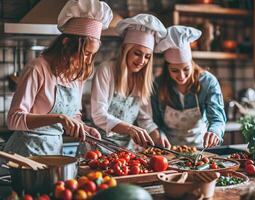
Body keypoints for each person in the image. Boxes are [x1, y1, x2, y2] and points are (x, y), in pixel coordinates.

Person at [3, 0, 113, 156]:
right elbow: (14, 119)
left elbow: (74, 115)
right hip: (23, 155)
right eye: (86, 53)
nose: (88, 60)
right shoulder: (37, 68)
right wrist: (59, 118)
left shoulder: (76, 74)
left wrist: (85, 129)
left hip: (54, 154)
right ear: (67, 44)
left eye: (92, 55)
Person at [91, 14, 170, 149]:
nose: (141, 61)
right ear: (125, 50)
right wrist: (130, 128)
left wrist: (158, 136)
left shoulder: (143, 79)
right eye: (137, 53)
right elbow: (98, 114)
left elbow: (145, 119)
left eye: (147, 57)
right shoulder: (107, 70)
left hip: (126, 150)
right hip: (99, 145)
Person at [152, 25, 226, 148]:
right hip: (168, 150)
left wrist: (214, 132)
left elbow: (217, 119)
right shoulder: (158, 85)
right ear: (167, 69)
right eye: (174, 70)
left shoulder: (208, 82)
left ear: (192, 64)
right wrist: (158, 134)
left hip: (200, 148)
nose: (181, 76)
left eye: (186, 69)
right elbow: (155, 122)